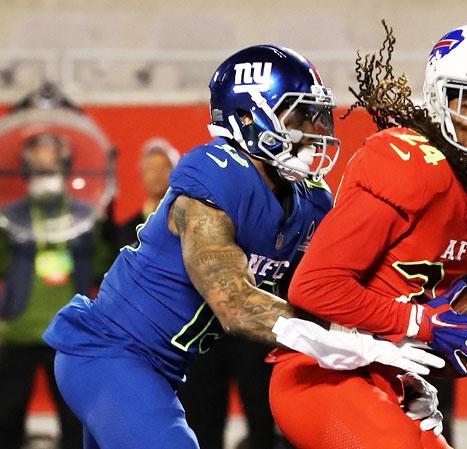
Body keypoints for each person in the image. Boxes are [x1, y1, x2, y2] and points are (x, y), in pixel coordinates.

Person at [41, 45, 445, 449]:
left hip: (158, 370)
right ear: (249, 116)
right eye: (299, 117)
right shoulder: (216, 176)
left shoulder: (310, 201)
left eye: (316, 117)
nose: (314, 132)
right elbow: (235, 305)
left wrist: (389, 369)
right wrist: (349, 339)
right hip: (109, 353)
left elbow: (327, 297)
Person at [269, 22, 467, 449]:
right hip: (324, 372)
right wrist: (426, 323)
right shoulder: (409, 166)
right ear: (438, 96)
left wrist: (433, 349)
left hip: (382, 373)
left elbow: (408, 292)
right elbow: (315, 287)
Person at [0, 133, 111, 449]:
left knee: (74, 420)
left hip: (69, 330)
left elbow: (102, 265)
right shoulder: (12, 215)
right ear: (25, 167)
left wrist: (102, 226)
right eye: (38, 164)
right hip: (20, 331)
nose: (45, 170)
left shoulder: (84, 214)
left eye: (51, 163)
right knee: (6, 417)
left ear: (65, 165)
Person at [117, 137, 180, 248]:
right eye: (151, 169)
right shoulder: (128, 230)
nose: (156, 175)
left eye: (163, 168)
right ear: (141, 176)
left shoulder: (186, 220)